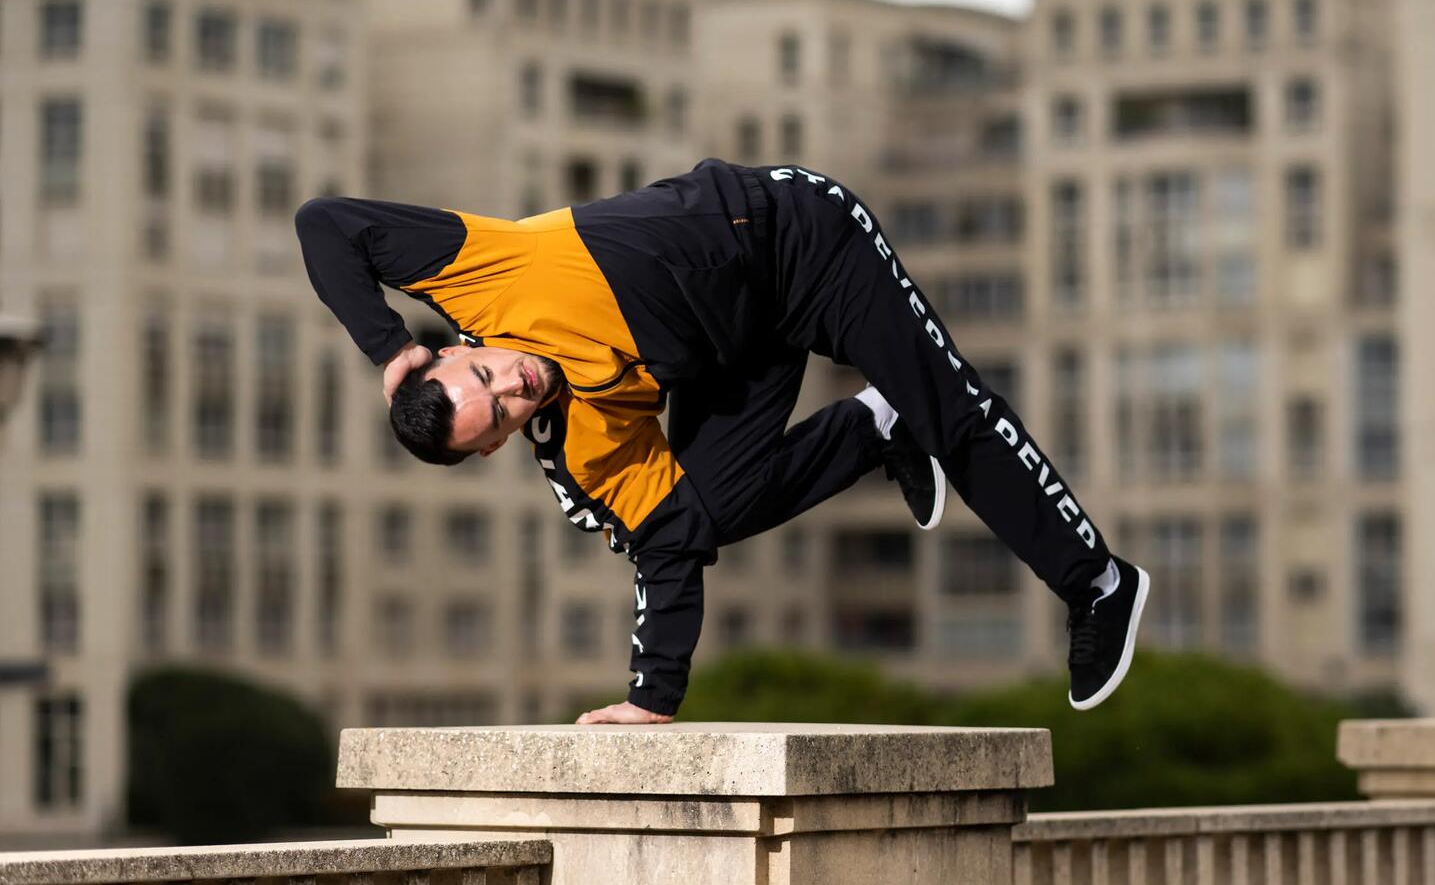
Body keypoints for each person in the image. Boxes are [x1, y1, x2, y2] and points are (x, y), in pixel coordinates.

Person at [295, 158, 1149, 723]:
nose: (515, 387)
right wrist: (650, 700)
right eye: (504, 415)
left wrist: (387, 346)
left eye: (488, 376)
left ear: (461, 349)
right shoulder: (584, 441)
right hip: (741, 353)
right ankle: (874, 424)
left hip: (801, 240)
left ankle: (1098, 584)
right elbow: (666, 545)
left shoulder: (482, 271)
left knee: (953, 411)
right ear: (496, 446)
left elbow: (324, 221)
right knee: (704, 509)